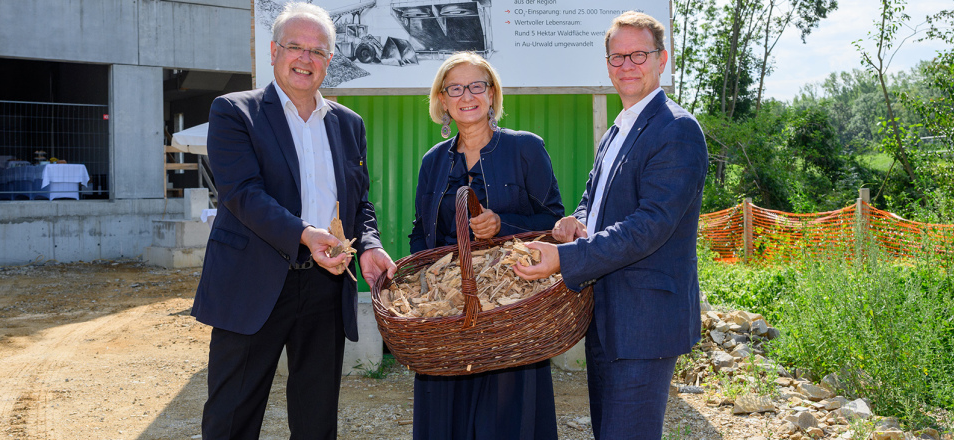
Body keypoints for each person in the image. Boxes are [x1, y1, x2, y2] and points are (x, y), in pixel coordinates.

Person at [190, 3, 397, 439]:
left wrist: (372, 244)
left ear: (330, 60)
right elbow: (241, 193)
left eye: (318, 51)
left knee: (316, 420)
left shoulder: (348, 123)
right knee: (232, 417)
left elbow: (359, 202)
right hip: (253, 283)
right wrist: (305, 234)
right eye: (295, 47)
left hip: (325, 286)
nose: (306, 59)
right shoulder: (234, 112)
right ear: (273, 51)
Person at [514, 11, 708, 440]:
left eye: (639, 54)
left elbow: (650, 225)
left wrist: (565, 258)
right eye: (617, 57)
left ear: (662, 60)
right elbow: (593, 200)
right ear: (607, 64)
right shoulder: (618, 130)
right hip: (607, 316)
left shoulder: (676, 130)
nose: (627, 66)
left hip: (644, 322)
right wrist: (576, 222)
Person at [408, 52, 565, 440]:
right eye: (455, 88)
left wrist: (502, 226)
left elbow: (553, 223)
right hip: (448, 306)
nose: (467, 96)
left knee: (507, 415)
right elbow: (420, 232)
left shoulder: (525, 148)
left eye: (477, 86)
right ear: (442, 100)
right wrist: (414, 284)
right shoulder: (432, 162)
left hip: (509, 301)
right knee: (447, 410)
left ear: (492, 95)